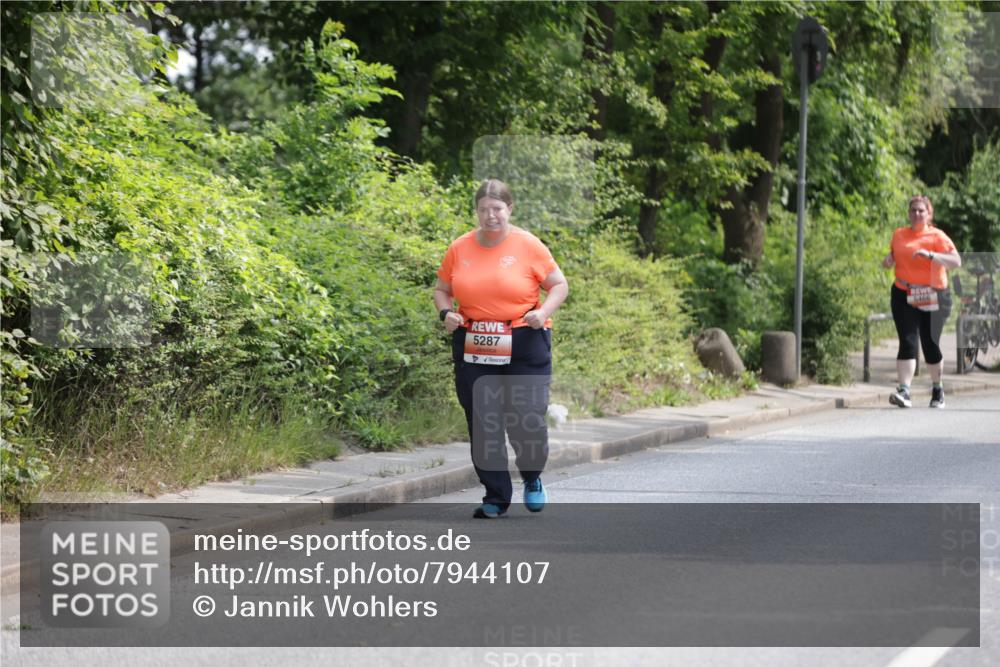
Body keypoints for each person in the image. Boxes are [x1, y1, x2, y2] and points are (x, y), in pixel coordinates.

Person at [433, 179, 569, 518]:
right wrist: (446, 313)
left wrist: (543, 312)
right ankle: (495, 495)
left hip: (524, 339)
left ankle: (532, 476)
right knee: (483, 420)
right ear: (476, 211)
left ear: (510, 209)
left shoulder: (529, 245)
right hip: (474, 340)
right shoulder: (460, 247)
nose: (490, 215)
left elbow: (559, 285)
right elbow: (441, 289)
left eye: (497, 209)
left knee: (526, 417)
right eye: (483, 209)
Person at [882, 195, 961, 408]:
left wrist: (932, 255)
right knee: (907, 341)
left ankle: (937, 389)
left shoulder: (937, 236)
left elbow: (956, 261)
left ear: (929, 214)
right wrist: (889, 260)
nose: (917, 214)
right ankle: (904, 391)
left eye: (921, 211)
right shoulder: (899, 234)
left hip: (933, 294)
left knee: (930, 343)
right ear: (909, 213)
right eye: (913, 210)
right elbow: (894, 255)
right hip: (904, 293)